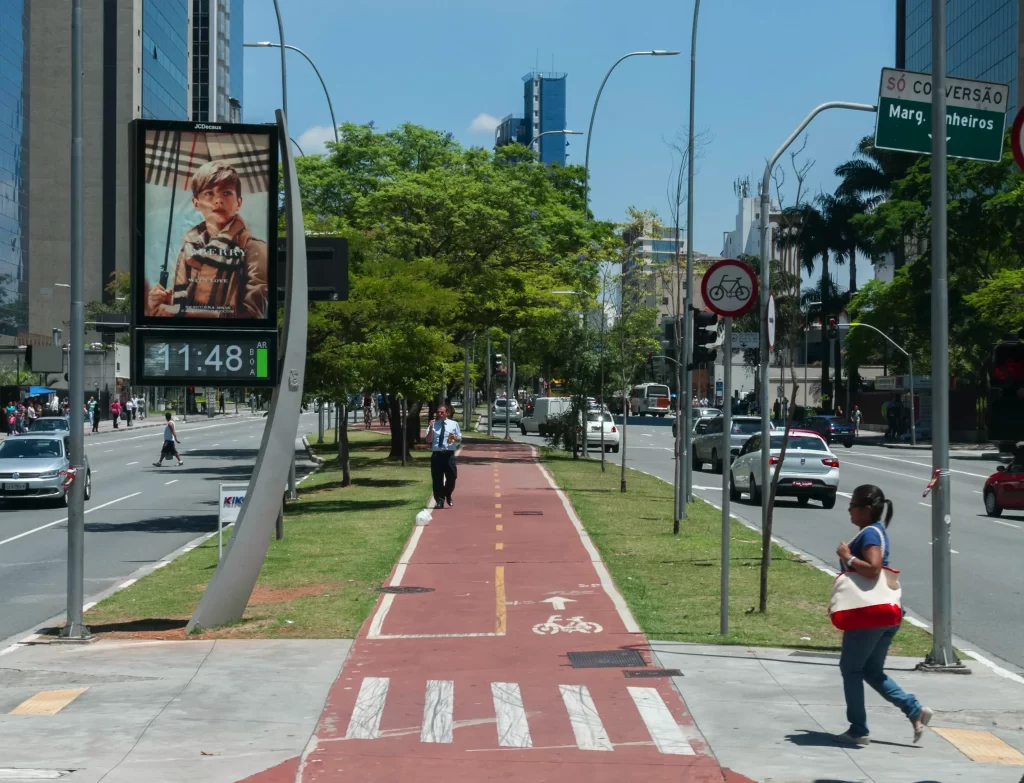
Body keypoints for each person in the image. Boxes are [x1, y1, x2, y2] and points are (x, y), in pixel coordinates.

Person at [834, 484, 932, 746]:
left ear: (866, 510)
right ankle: (914, 710)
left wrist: (847, 557)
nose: (849, 511)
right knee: (871, 671)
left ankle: (858, 729)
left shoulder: (870, 535)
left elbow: (874, 568)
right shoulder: (877, 532)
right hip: (886, 614)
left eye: (852, 506)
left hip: (869, 615)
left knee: (851, 668)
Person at [145, 160, 269, 320]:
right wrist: (161, 302)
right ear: (196, 203)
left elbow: (252, 314)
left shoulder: (254, 249)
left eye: (227, 193)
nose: (218, 200)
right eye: (209, 193)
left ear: (239, 202)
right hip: (185, 342)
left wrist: (182, 313)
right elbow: (179, 304)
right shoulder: (189, 247)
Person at [427, 405, 462, 509]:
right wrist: (431, 429)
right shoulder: (433, 424)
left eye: (442, 412)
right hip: (437, 455)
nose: (440, 414)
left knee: (452, 477)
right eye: (438, 412)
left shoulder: (453, 424)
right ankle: (440, 501)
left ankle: (447, 493)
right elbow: (428, 440)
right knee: (437, 479)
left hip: (449, 454)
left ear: (447, 413)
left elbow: (459, 439)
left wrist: (455, 438)